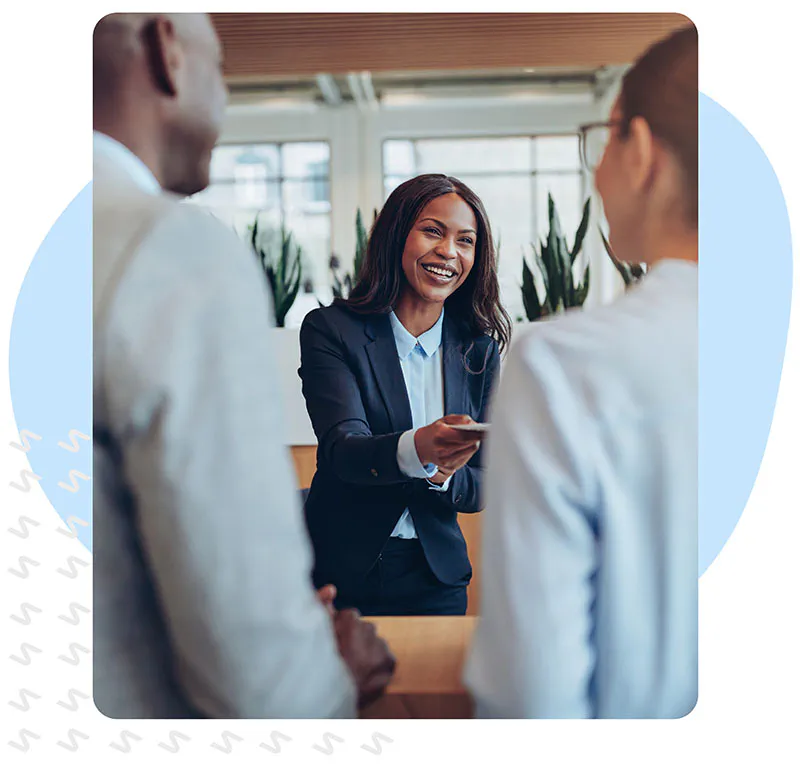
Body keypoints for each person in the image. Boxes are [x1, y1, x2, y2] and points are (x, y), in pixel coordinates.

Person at [92, 12, 394, 719]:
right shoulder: (170, 249)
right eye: (222, 67)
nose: (224, 100)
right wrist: (328, 675)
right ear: (166, 48)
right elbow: (257, 677)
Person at [464, 25, 699, 718]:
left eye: (606, 136)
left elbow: (529, 694)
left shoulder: (563, 364)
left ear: (642, 152)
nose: (596, 170)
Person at [299, 174, 511, 616]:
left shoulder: (478, 349)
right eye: (433, 231)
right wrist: (422, 448)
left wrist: (442, 473)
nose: (449, 252)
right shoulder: (331, 331)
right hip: (340, 576)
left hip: (436, 577)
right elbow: (344, 451)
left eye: (465, 240)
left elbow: (480, 487)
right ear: (397, 235)